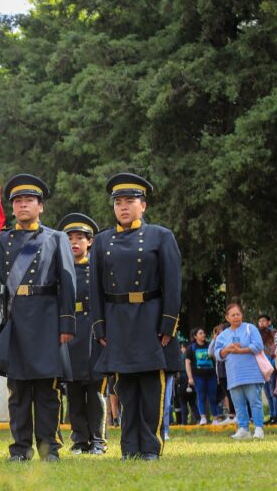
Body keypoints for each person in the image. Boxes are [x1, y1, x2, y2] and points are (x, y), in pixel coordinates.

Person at [0, 175, 76, 462]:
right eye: (17, 201)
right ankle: (20, 449)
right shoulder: (2, 238)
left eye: (29, 200)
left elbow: (67, 282)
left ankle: (49, 447)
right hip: (15, 322)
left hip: (47, 320)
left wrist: (67, 322)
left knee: (47, 391)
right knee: (17, 392)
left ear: (40, 206)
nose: (22, 205)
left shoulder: (55, 238)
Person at [92, 173, 183, 460]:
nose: (123, 207)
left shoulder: (161, 236)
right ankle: (129, 447)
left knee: (151, 388)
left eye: (130, 201)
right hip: (117, 320)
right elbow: (95, 288)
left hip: (151, 317)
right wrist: (99, 326)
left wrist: (168, 322)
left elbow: (173, 283)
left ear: (143, 205)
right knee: (126, 389)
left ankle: (151, 447)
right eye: (118, 202)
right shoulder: (103, 240)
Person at [56, 213, 108, 455]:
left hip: (93, 333)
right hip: (69, 333)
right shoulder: (59, 271)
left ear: (90, 242)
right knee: (74, 390)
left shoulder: (97, 268)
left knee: (95, 390)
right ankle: (79, 440)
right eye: (69, 238)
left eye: (80, 238)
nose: (74, 243)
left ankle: (98, 440)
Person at [214, 303, 266, 440]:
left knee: (255, 402)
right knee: (238, 404)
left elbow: (259, 346)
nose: (236, 317)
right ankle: (243, 429)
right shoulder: (223, 335)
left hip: (251, 373)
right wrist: (226, 350)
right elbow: (217, 353)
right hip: (233, 375)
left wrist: (241, 350)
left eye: (238, 314)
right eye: (233, 315)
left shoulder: (251, 328)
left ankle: (259, 428)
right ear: (227, 318)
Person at [186, 328, 220, 425]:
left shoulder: (209, 345)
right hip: (198, 376)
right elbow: (187, 363)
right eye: (200, 333)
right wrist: (190, 377)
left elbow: (215, 358)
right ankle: (203, 418)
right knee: (201, 396)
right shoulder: (191, 348)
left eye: (204, 333)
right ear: (195, 336)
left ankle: (215, 418)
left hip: (212, 376)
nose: (203, 335)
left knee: (212, 397)